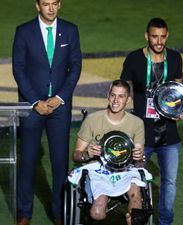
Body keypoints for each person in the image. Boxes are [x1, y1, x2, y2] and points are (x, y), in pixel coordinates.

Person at [12, 0, 82, 224]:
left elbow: (75, 67)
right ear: (37, 6)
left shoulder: (71, 30)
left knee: (60, 162)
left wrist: (60, 98)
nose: (50, 8)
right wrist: (35, 101)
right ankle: (24, 214)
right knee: (28, 162)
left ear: (59, 5)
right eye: (45, 4)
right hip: (32, 108)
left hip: (60, 108)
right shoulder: (23, 32)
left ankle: (60, 213)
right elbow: (18, 69)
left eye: (54, 3)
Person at [120, 17, 183, 225]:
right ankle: (137, 220)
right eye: (154, 37)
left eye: (163, 37)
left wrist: (180, 108)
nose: (159, 41)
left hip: (169, 132)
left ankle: (165, 221)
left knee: (170, 183)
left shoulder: (175, 58)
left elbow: (178, 92)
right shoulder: (134, 59)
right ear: (147, 36)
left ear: (167, 36)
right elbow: (123, 90)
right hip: (142, 134)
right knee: (135, 181)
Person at [69, 80, 150, 225]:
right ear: (108, 96)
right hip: (98, 171)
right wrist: (87, 154)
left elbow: (140, 162)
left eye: (121, 96)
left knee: (136, 196)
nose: (116, 100)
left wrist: (139, 158)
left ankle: (133, 220)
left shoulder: (137, 123)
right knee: (97, 213)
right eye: (113, 95)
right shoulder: (92, 120)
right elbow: (76, 156)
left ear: (128, 100)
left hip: (125, 171)